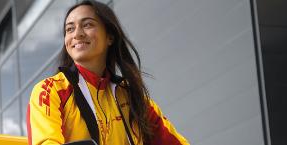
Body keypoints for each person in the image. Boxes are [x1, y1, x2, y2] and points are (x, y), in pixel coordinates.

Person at [26, 1, 189, 145]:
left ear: (110, 36)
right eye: (69, 29)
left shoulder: (133, 96)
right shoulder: (50, 90)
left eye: (87, 24)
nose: (77, 34)